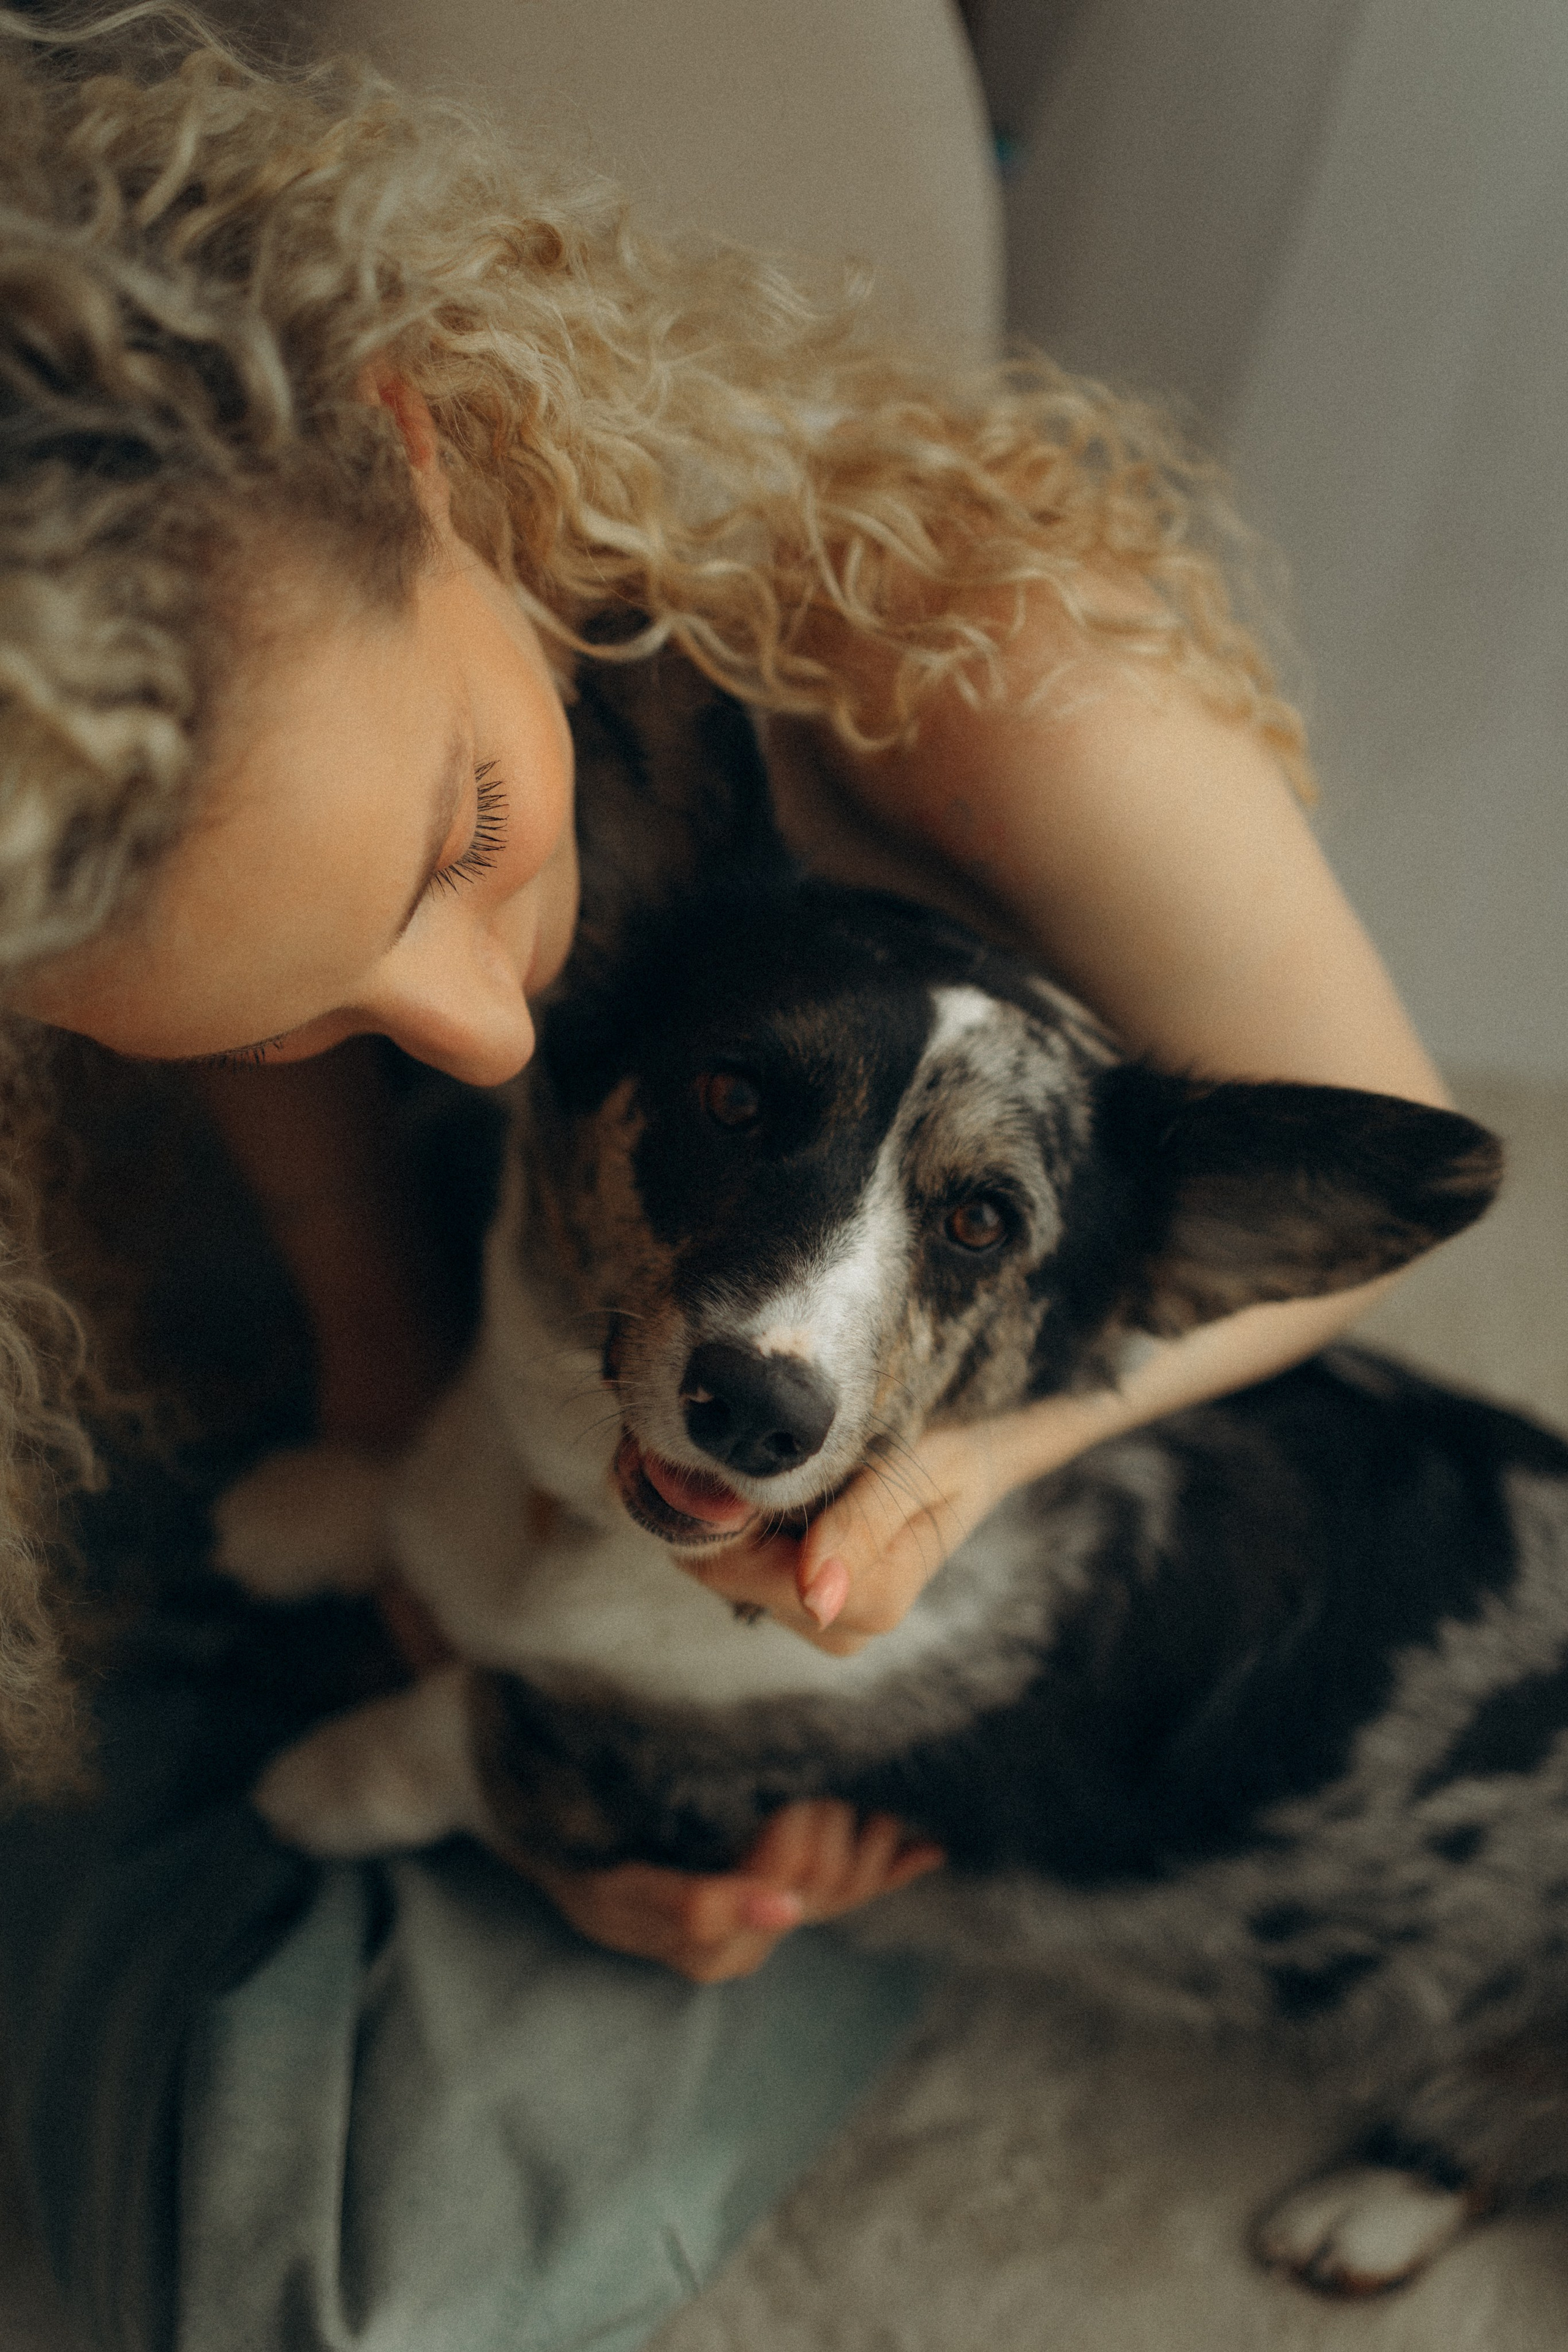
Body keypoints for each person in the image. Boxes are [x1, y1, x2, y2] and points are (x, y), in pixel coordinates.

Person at [0, 7, 1452, 2344]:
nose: (492, 1037)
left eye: (462, 840)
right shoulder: (120, 787)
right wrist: (384, 1425)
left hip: (879, 1503)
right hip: (461, 1359)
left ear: (408, 451)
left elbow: (1345, 1174)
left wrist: (957, 1477)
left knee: (309, 2271)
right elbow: (340, 1208)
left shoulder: (985, 671)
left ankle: (732, 1874)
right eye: (294, 1006)